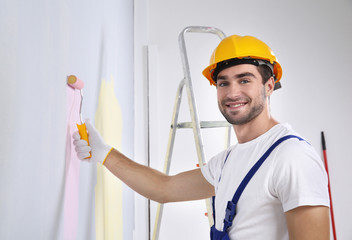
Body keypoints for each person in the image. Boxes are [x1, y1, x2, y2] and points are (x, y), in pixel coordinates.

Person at [73, 35, 330, 239]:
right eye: (223, 82)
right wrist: (104, 153)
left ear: (269, 85)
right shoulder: (228, 161)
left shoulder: (292, 158)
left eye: (244, 80)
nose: (232, 92)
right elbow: (164, 189)